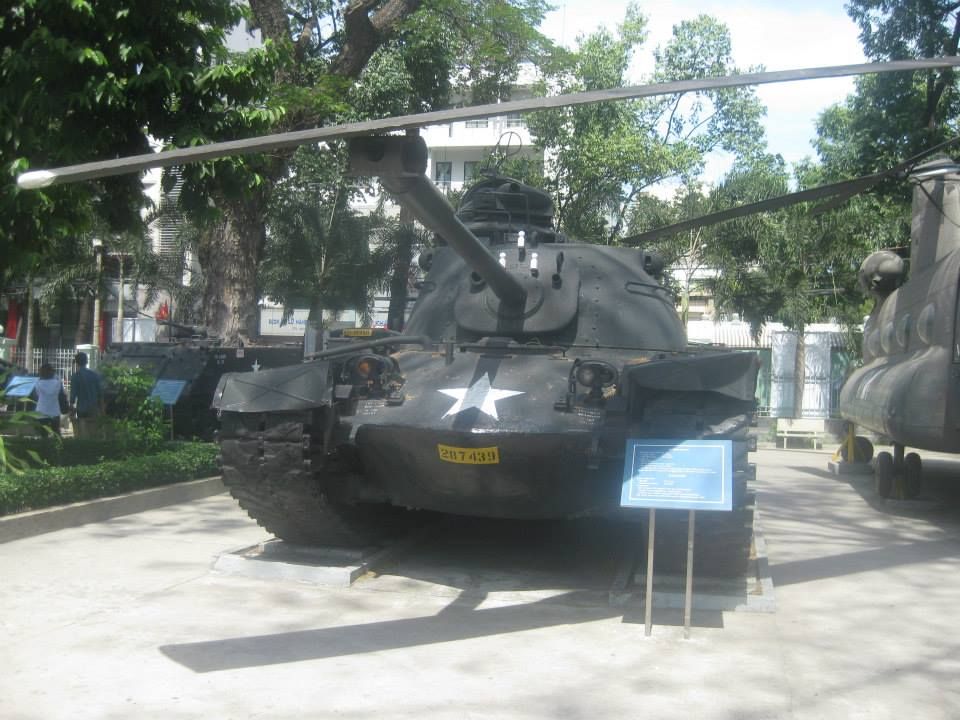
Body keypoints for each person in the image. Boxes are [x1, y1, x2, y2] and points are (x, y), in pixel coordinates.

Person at [69, 351, 103, 438]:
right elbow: (100, 393)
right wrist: (101, 408)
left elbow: (73, 395)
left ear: (76, 363)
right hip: (93, 407)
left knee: (82, 432)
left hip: (81, 408)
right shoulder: (95, 375)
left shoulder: (75, 376)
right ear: (87, 361)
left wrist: (71, 407)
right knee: (93, 431)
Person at [34, 363, 65, 435]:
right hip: (54, 410)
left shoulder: (38, 383)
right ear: (52, 372)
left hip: (41, 411)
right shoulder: (57, 383)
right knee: (56, 432)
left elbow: (38, 394)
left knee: (43, 433)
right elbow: (59, 391)